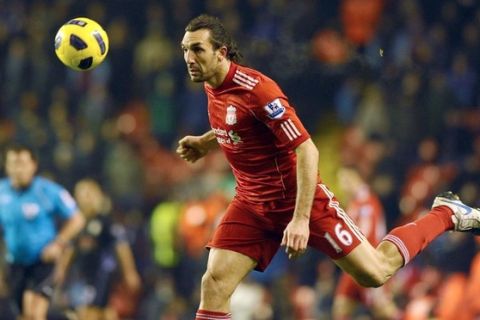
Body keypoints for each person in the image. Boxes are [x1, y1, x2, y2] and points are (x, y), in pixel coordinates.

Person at [176, 14, 480, 320]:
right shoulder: (212, 84)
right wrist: (205, 141)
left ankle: (446, 213)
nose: (189, 58)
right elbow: (243, 126)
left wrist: (300, 219)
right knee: (214, 284)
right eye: (185, 50)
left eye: (197, 49)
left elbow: (307, 149)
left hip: (298, 199)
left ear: (221, 52)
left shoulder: (258, 90)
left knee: (375, 272)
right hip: (252, 204)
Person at [0, 143, 85, 320]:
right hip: (15, 264)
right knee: (23, 315)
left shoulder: (48, 191)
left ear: (33, 165)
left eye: (22, 163)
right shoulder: (1, 192)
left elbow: (77, 219)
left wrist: (58, 242)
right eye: (13, 163)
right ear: (6, 166)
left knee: (34, 312)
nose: (18, 169)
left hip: (43, 263)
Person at [55, 178, 141, 320]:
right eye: (81, 195)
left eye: (89, 194)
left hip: (101, 273)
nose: (85, 199)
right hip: (80, 274)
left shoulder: (105, 221)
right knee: (96, 312)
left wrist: (130, 272)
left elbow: (121, 246)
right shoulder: (76, 223)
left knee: (90, 312)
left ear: (98, 196)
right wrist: (61, 270)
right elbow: (70, 249)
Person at [332, 166, 400, 319]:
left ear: (355, 178)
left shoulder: (367, 202)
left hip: (368, 262)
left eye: (345, 180)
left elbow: (366, 235)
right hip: (354, 264)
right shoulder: (355, 202)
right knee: (341, 306)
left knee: (383, 310)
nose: (343, 185)